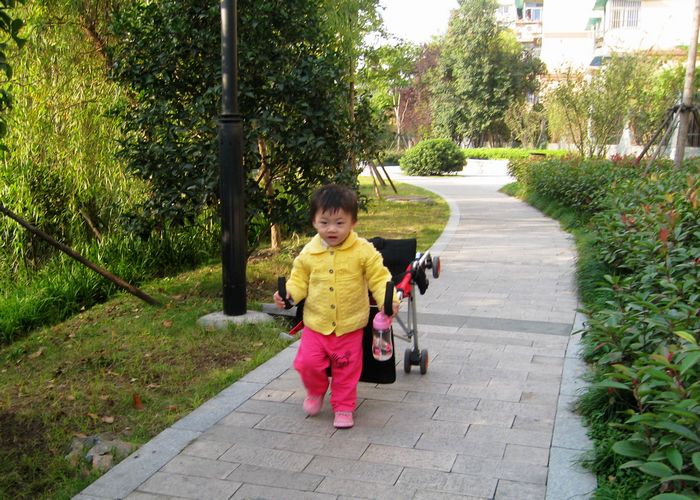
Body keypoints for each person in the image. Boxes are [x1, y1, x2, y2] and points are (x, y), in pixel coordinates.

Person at [274, 184, 398, 429]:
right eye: (324, 222)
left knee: (346, 369)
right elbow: (298, 281)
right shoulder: (309, 253)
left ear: (353, 222)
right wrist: (288, 295)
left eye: (340, 223)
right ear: (314, 221)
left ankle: (343, 406)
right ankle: (316, 389)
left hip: (349, 327)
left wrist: (389, 299)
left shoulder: (363, 251)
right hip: (316, 324)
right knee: (307, 363)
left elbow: (379, 277)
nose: (332, 229)